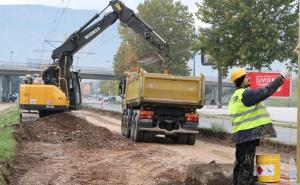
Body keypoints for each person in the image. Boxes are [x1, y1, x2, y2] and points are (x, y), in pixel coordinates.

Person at [229, 68, 290, 185]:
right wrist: (281, 78)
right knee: (246, 166)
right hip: (247, 136)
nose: (249, 78)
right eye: (246, 77)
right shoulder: (246, 94)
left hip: (240, 136)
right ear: (241, 80)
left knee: (239, 165)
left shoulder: (235, 97)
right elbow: (266, 91)